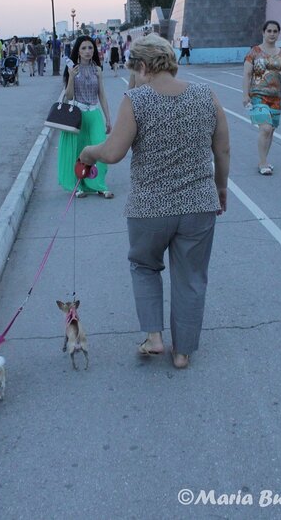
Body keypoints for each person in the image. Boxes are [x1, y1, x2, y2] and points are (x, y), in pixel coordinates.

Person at [79, 34, 229, 370]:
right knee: (191, 276)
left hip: (150, 208)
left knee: (145, 266)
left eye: (136, 69)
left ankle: (154, 337)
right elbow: (222, 149)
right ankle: (183, 352)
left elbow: (113, 152)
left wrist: (89, 152)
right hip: (198, 205)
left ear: (144, 66)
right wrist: (220, 188)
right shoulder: (207, 95)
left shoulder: (136, 100)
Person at [243, 20, 281, 176]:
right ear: (263, 33)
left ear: (278, 34)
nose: (272, 34)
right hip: (258, 96)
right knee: (265, 128)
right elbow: (247, 74)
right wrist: (245, 94)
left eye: (275, 31)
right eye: (269, 31)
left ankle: (264, 160)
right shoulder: (254, 52)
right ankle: (262, 163)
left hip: (276, 98)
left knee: (271, 130)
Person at [57, 36, 112, 198]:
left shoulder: (98, 70)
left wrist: (108, 118)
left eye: (90, 48)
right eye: (84, 48)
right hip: (78, 115)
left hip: (94, 114)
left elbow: (102, 95)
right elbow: (68, 96)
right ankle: (78, 185)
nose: (88, 51)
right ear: (78, 51)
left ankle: (98, 184)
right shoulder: (72, 69)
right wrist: (72, 77)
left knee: (100, 150)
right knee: (79, 152)